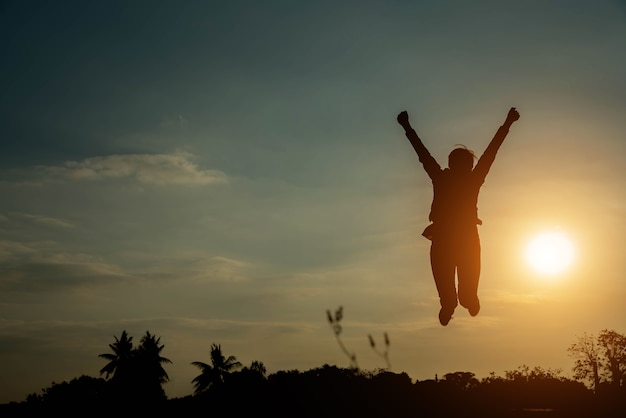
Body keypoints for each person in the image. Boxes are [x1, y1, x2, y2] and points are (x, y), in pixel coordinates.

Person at [397, 107, 520, 326]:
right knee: (448, 290)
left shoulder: (461, 178)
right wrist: (407, 128)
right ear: (455, 165)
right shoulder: (448, 177)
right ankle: (452, 304)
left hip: (461, 238)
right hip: (449, 237)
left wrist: (508, 124)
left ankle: (464, 300)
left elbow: (490, 153)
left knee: (464, 292)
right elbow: (423, 155)